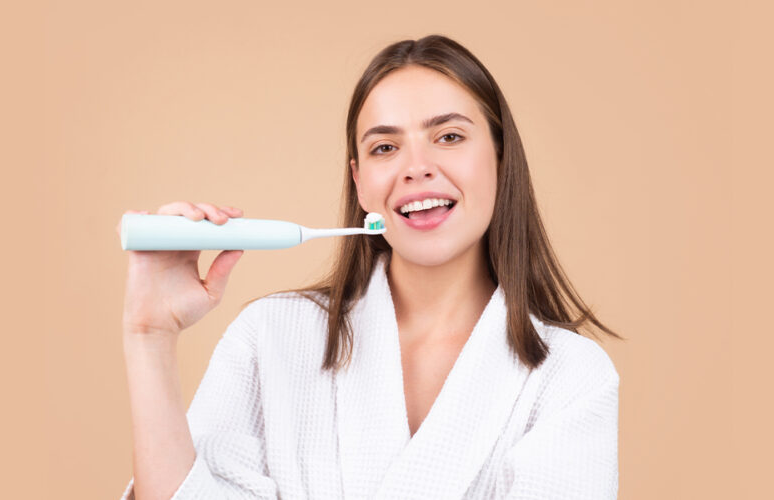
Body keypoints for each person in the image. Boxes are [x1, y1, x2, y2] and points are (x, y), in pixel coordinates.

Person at [117, 34, 623, 500]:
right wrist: (149, 336)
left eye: (449, 137)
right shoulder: (270, 336)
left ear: (500, 157)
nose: (416, 167)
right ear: (360, 183)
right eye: (385, 147)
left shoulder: (571, 376)